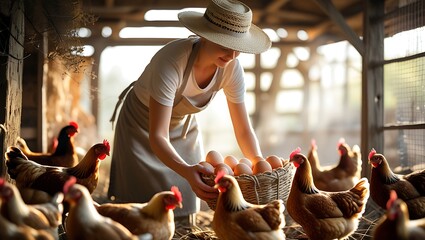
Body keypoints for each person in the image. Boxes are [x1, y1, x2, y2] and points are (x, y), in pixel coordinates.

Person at [107, 0, 272, 220]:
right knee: (142, 207)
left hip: (183, 127)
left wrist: (258, 164)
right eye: (225, 45)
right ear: (205, 35)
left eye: (238, 48)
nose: (232, 55)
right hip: (141, 125)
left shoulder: (231, 68)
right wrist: (185, 169)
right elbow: (158, 135)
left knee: (186, 203)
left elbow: (243, 129)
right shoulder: (172, 61)